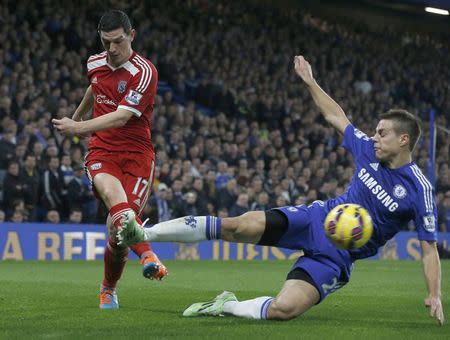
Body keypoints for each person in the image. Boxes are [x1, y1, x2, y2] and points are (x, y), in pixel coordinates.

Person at [116, 55, 444, 325]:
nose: (374, 137)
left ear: (403, 140)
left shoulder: (419, 189)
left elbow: (429, 249)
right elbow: (335, 116)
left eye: (382, 133)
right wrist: (310, 81)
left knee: (282, 310)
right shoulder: (368, 151)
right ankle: (144, 233)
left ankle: (225, 305)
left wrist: (434, 294)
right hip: (316, 219)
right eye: (375, 132)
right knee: (236, 225)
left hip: (337, 257)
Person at [51, 10, 167, 309]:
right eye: (106, 42)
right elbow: (95, 86)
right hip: (102, 151)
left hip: (138, 156)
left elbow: (122, 117)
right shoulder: (95, 61)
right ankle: (148, 255)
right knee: (114, 198)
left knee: (117, 234)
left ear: (132, 35)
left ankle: (108, 286)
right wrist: (78, 114)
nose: (112, 49)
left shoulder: (144, 72)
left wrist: (77, 127)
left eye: (117, 41)